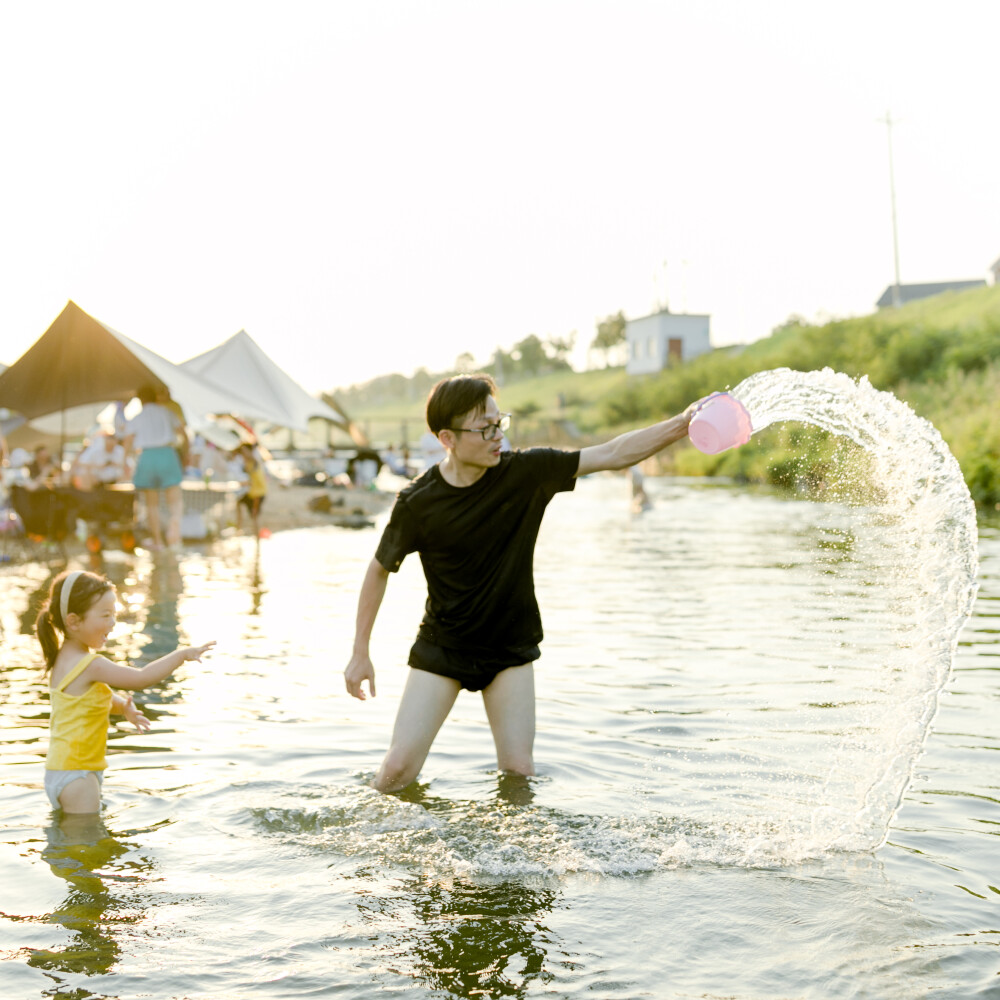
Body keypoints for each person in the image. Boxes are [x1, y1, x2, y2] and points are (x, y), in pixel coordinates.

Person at [344, 372, 698, 793]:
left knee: (518, 774)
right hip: (444, 645)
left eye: (500, 423)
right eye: (485, 428)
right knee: (398, 770)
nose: (498, 436)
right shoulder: (418, 502)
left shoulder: (526, 473)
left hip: (508, 650)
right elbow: (379, 569)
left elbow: (613, 454)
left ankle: (513, 855)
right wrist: (359, 653)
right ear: (447, 438)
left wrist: (684, 422)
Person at [37, 569, 215, 814]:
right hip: (79, 777)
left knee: (71, 845)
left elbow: (85, 701)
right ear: (74, 621)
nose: (112, 623)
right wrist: (181, 655)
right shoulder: (92, 664)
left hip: (59, 771)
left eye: (114, 614)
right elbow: (141, 678)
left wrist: (123, 708)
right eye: (105, 615)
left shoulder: (61, 661)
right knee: (88, 848)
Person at [123, 385, 185, 550]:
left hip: (147, 456)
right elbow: (183, 434)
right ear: (155, 397)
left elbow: (128, 441)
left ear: (140, 400)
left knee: (152, 505)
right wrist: (187, 455)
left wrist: (124, 462)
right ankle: (174, 531)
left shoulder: (137, 417)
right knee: (175, 500)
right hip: (167, 453)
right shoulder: (167, 412)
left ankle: (157, 541)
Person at [233, 443, 267, 536]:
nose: (243, 454)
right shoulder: (247, 463)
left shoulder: (254, 461)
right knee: (238, 503)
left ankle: (257, 539)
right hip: (251, 492)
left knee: (254, 516)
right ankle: (238, 528)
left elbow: (250, 478)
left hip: (258, 493)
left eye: (245, 452)